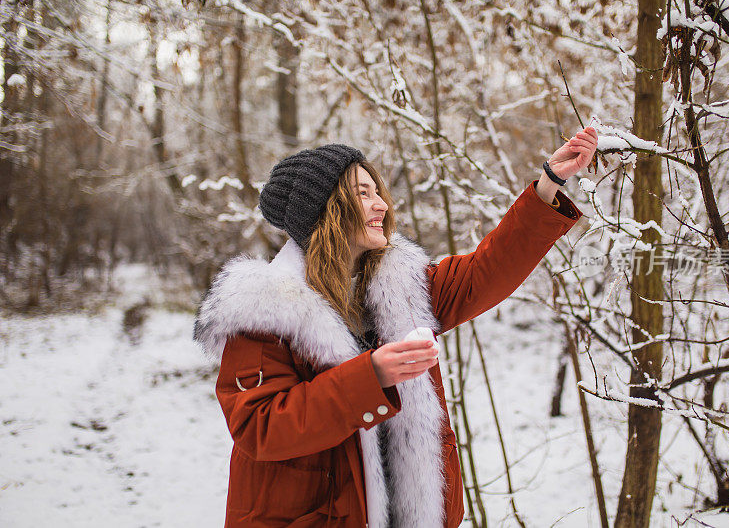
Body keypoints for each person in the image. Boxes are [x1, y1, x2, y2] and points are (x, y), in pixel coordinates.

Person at [194, 128, 597, 528]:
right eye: (363, 194)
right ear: (328, 212)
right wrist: (371, 377)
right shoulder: (265, 312)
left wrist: (548, 184)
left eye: (377, 191)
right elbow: (261, 427)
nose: (381, 205)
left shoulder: (404, 290)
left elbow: (485, 272)